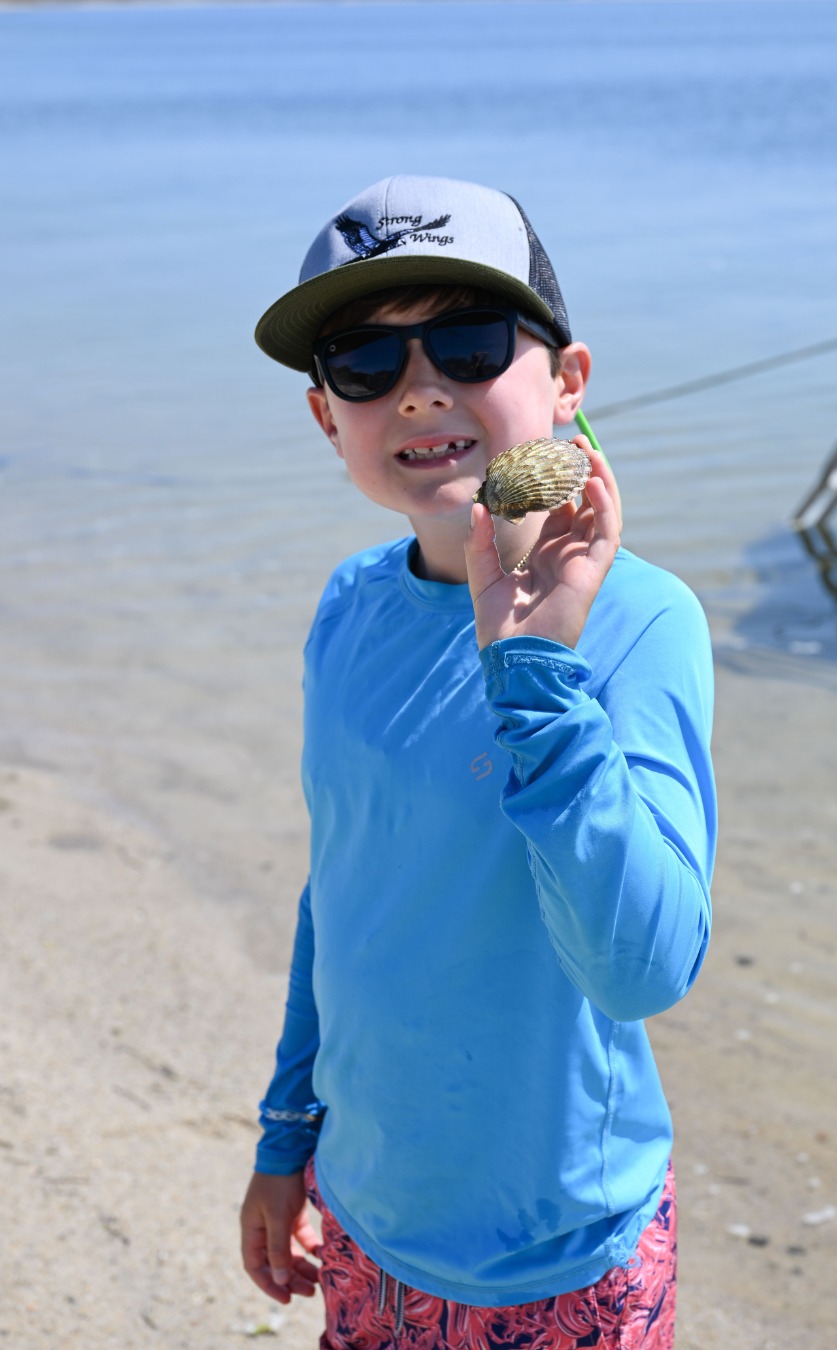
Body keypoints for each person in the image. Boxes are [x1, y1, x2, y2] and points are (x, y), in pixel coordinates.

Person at [240, 175, 717, 1350]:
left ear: (566, 384)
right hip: (366, 1211)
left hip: (561, 1255)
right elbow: (344, 891)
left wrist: (533, 665)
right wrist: (287, 1132)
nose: (420, 388)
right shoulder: (350, 605)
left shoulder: (643, 625)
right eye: (365, 362)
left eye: (466, 340)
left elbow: (646, 967)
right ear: (324, 418)